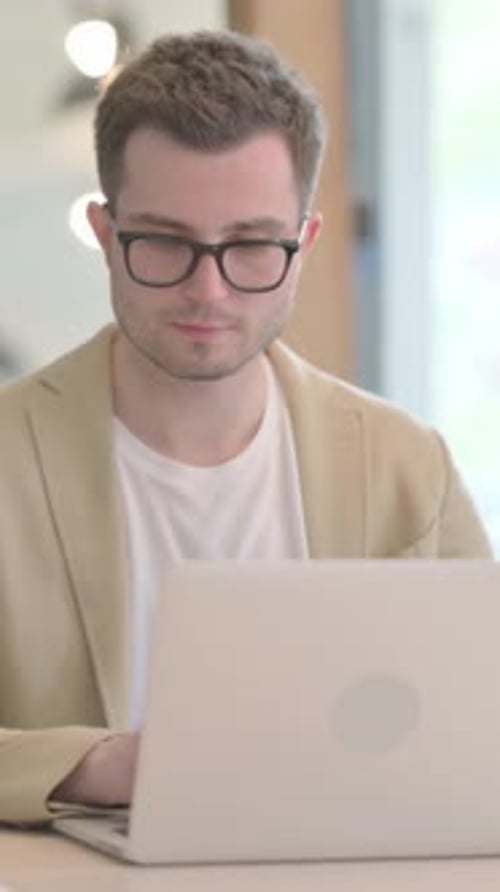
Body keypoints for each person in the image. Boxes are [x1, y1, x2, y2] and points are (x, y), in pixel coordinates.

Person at [0, 29, 492, 826]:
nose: (209, 292)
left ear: (305, 243)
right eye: (164, 241)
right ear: (103, 233)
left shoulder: (407, 465)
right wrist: (98, 765)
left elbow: (484, 729)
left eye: (252, 246)